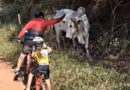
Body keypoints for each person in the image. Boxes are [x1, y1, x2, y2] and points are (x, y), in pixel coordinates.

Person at [14, 11, 65, 79]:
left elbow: (24, 30)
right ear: (41, 16)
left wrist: (18, 37)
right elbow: (53, 21)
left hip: (28, 41)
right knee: (39, 54)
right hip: (38, 42)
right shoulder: (43, 21)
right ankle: (41, 70)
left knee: (22, 55)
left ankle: (17, 70)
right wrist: (61, 18)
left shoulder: (31, 22)